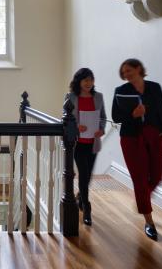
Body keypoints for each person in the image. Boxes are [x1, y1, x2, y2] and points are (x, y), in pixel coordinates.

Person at [112, 59, 162, 241]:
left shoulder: (155, 87)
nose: (126, 75)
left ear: (138, 69)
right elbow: (115, 116)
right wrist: (132, 115)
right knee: (140, 179)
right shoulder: (121, 91)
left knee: (157, 177)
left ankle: (141, 198)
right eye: (124, 72)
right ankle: (149, 222)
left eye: (129, 70)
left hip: (155, 136)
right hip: (131, 138)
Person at [65, 68, 106, 226]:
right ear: (79, 82)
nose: (89, 83)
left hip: (93, 143)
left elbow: (103, 117)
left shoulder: (99, 97)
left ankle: (80, 198)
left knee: (88, 175)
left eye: (91, 80)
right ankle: (87, 207)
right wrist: (76, 127)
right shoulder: (70, 97)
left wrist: (101, 129)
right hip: (78, 143)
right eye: (85, 80)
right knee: (83, 173)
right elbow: (65, 119)